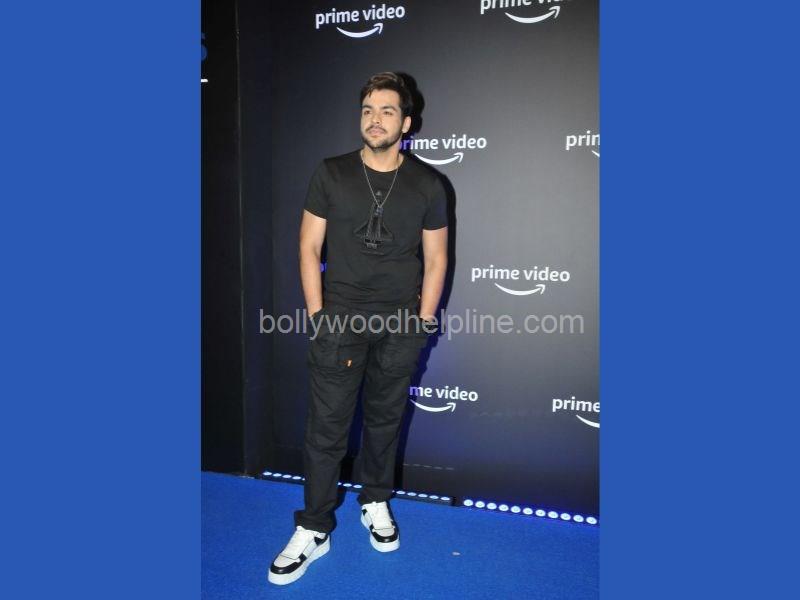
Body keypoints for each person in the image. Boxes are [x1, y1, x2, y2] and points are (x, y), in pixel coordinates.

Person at [268, 72, 449, 585]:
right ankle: (315, 527)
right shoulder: (331, 173)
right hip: (340, 320)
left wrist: (422, 321)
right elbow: (308, 247)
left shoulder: (428, 185)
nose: (376, 119)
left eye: (388, 111)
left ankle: (375, 501)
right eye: (368, 110)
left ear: (406, 123)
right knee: (326, 429)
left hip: (400, 323)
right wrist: (317, 315)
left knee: (385, 421)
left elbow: (437, 259)